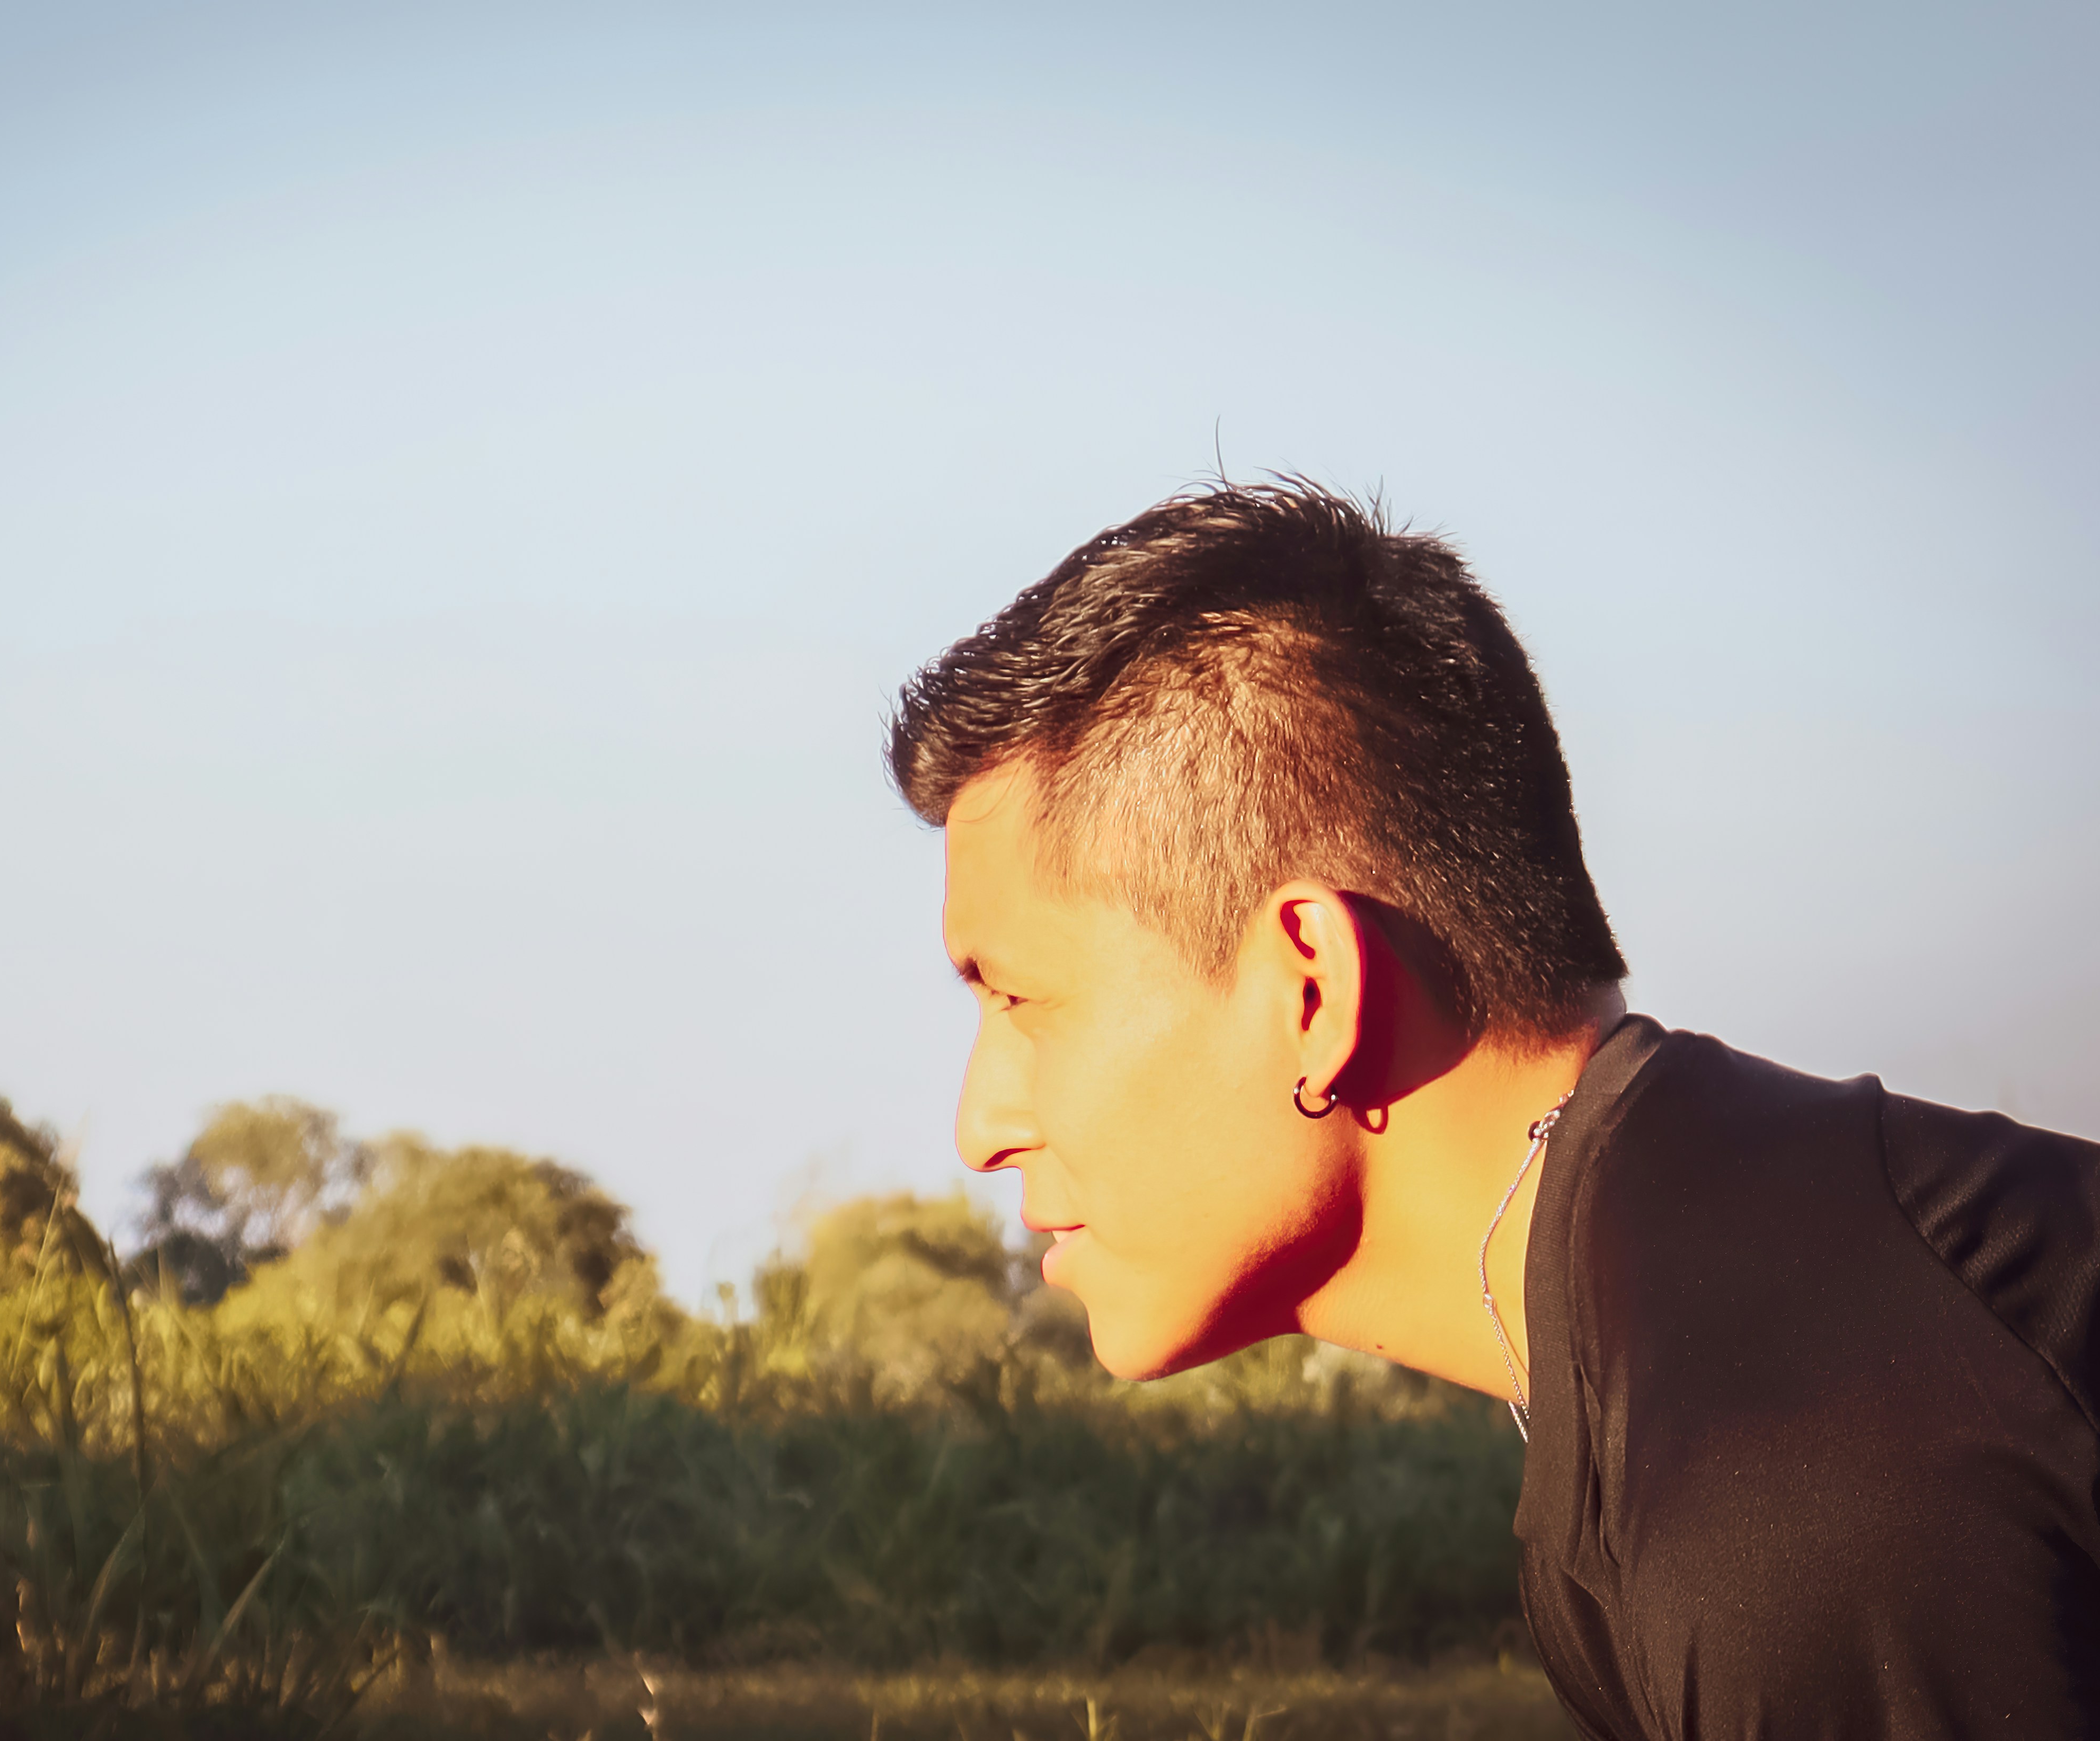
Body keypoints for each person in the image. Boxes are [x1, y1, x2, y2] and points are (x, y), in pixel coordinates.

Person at [888, 480, 2100, 1738]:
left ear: (1316, 991)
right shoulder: (1677, 1322)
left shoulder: (1788, 1475)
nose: (981, 1125)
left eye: (1020, 996)